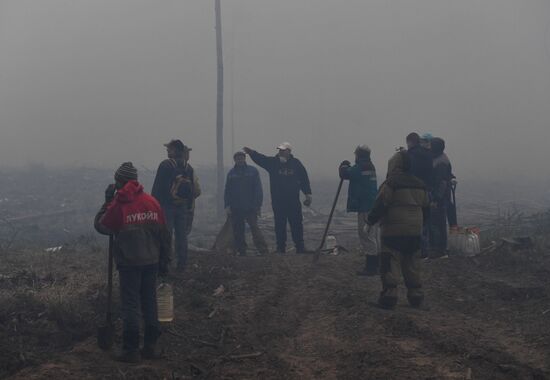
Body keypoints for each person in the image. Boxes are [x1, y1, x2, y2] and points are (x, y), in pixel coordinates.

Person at [94, 162, 171, 363]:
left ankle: (130, 349)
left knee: (130, 305)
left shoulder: (119, 204)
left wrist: (107, 203)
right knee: (149, 302)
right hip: (152, 261)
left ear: (119, 181)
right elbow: (164, 234)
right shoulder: (152, 201)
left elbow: (102, 225)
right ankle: (151, 347)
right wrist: (164, 261)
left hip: (129, 263)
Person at [366, 151, 429, 309]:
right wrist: (421, 225)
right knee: (412, 264)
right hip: (415, 231)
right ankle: (416, 297)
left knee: (390, 261)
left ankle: (389, 296)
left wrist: (370, 221)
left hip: (393, 230)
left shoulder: (391, 183)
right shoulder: (421, 184)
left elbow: (381, 204)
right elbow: (427, 209)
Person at [243, 142, 312, 254]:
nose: (280, 152)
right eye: (279, 150)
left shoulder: (296, 164)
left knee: (297, 224)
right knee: (280, 224)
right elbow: (261, 159)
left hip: (293, 201)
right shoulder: (273, 163)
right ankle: (280, 248)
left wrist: (308, 194)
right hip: (278, 201)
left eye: (283, 150)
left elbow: (304, 179)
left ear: (289, 151)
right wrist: (251, 153)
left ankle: (300, 247)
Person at [151, 140, 201, 270]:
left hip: (166, 206)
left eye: (170, 149)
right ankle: (182, 265)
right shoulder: (188, 168)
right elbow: (192, 190)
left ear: (177, 150)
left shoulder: (165, 165)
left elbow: (157, 188)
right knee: (181, 236)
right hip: (182, 206)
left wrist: (153, 206)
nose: (167, 151)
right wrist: (189, 207)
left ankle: (164, 265)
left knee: (166, 235)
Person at [339, 145, 379, 276]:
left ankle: (371, 267)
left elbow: (346, 174)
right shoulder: (370, 166)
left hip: (365, 206)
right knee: (372, 235)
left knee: (366, 235)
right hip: (371, 205)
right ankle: (375, 265)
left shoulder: (361, 166)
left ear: (358, 155)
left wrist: (343, 165)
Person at [224, 151, 269, 256]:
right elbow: (227, 190)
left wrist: (258, 205)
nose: (240, 160)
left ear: (245, 159)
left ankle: (263, 250)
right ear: (235, 160)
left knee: (254, 228)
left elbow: (258, 189)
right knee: (238, 230)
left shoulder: (253, 171)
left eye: (241, 157)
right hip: (236, 207)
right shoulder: (231, 174)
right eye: (237, 158)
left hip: (250, 207)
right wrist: (227, 205)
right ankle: (241, 250)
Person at [406, 132, 433, 257]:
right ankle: (425, 251)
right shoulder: (428, 154)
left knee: (414, 221)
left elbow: (409, 172)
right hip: (427, 190)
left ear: (410, 142)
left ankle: (417, 250)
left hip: (414, 191)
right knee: (425, 221)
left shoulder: (410, 155)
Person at [429, 137, 454, 258]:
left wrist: (436, 199)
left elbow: (442, 183)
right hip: (440, 196)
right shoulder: (438, 158)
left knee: (439, 223)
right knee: (436, 222)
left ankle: (440, 250)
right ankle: (436, 248)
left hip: (440, 198)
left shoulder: (441, 162)